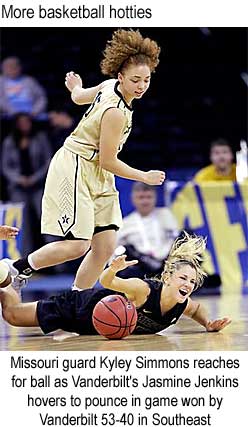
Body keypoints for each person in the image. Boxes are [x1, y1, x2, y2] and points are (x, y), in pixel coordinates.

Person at [3, 29, 165, 289]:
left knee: (105, 246)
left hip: (97, 171)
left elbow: (78, 98)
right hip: (77, 164)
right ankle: (15, 269)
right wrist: (144, 176)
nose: (141, 86)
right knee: (78, 245)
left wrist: (75, 87)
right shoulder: (116, 113)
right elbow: (108, 161)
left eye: (146, 80)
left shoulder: (109, 85)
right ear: (120, 77)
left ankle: (76, 300)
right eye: (135, 80)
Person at [0, 233, 231, 335]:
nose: (188, 285)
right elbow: (106, 281)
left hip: (90, 328)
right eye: (183, 278)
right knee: (11, 315)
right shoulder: (144, 290)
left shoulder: (182, 303)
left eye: (192, 281)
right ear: (168, 277)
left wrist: (208, 323)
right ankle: (6, 277)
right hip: (80, 309)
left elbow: (197, 308)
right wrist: (113, 269)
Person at [1, 113, 53, 254]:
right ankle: (22, 260)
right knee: (20, 225)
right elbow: (5, 166)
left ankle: (56, 261)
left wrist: (34, 178)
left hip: (39, 186)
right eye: (21, 122)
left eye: (26, 122)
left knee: (47, 221)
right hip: (18, 188)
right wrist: (19, 179)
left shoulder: (40, 138)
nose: (24, 125)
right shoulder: (9, 142)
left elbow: (48, 161)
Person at [116, 182, 178, 279]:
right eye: (141, 197)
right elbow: (117, 249)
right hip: (139, 267)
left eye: (149, 197)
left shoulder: (166, 215)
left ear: (155, 198)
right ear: (133, 199)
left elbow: (174, 237)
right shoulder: (125, 223)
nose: (145, 201)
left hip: (166, 263)